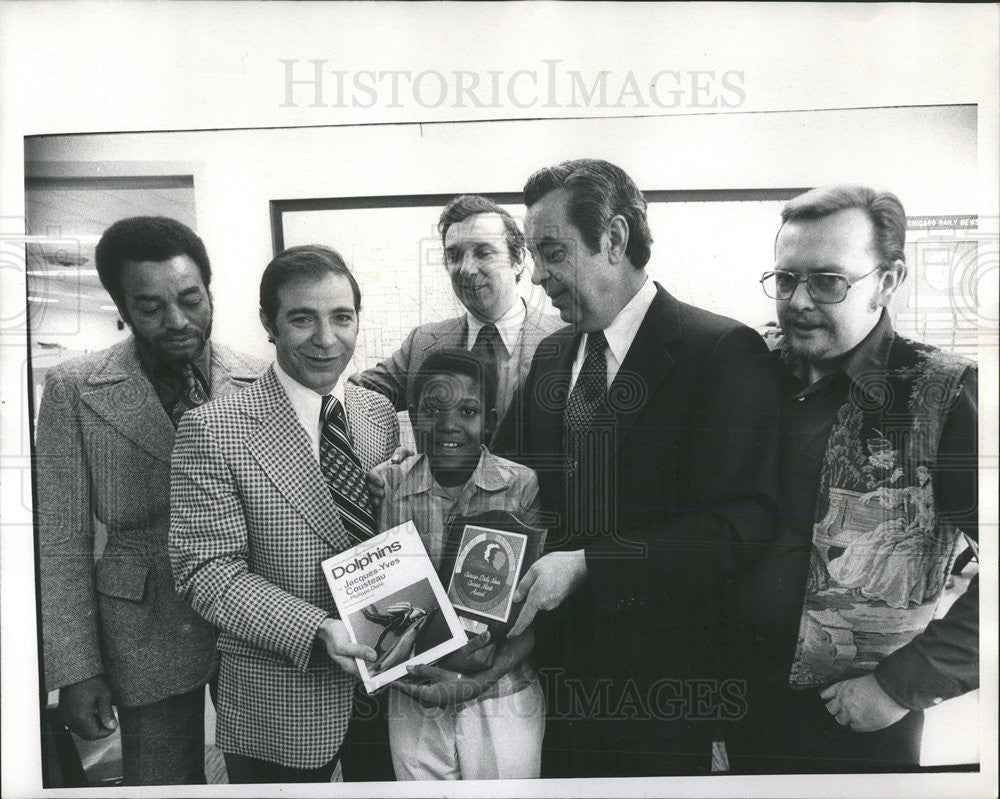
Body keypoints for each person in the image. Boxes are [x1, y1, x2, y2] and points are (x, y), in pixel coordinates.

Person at [493, 159, 780, 777]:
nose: (537, 276)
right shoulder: (550, 356)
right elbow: (503, 479)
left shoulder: (720, 352)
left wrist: (592, 564)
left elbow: (741, 528)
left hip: (666, 698)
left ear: (615, 238)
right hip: (553, 684)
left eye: (552, 253)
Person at [734, 185, 978, 773]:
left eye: (827, 281)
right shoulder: (745, 368)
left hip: (856, 717)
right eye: (785, 278)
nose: (797, 301)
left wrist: (902, 685)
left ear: (889, 281)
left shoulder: (945, 394)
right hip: (732, 705)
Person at [36, 216, 265, 785]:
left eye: (191, 299)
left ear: (210, 291)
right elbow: (60, 543)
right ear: (122, 306)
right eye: (152, 307)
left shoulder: (259, 379)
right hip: (143, 626)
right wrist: (76, 669)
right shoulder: (74, 388)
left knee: (265, 774)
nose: (178, 321)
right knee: (161, 781)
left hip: (249, 613)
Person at [169, 245, 400, 783]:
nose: (325, 338)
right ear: (268, 324)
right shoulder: (213, 429)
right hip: (281, 700)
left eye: (342, 318)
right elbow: (205, 573)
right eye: (302, 318)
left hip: (390, 685)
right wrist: (318, 628)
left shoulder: (379, 414)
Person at [377, 348, 545, 780]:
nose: (450, 424)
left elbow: (536, 615)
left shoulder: (520, 485)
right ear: (414, 419)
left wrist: (475, 682)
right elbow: (381, 619)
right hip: (415, 696)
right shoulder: (390, 487)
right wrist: (404, 675)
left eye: (467, 411)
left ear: (488, 421)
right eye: (433, 409)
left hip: (502, 696)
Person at [350, 194, 561, 439]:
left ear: (518, 260)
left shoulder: (565, 338)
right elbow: (351, 398)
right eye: (455, 256)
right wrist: (392, 461)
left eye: (483, 252)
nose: (467, 269)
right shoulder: (423, 343)